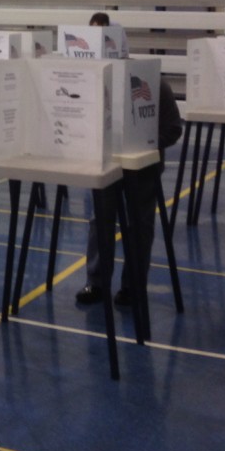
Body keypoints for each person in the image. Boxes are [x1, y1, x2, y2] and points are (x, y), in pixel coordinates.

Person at [76, 76, 182, 309]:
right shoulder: (99, 83)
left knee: (140, 225)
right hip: (107, 162)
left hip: (143, 169)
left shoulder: (157, 85)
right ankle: (96, 282)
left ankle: (133, 286)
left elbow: (174, 128)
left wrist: (146, 145)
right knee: (100, 220)